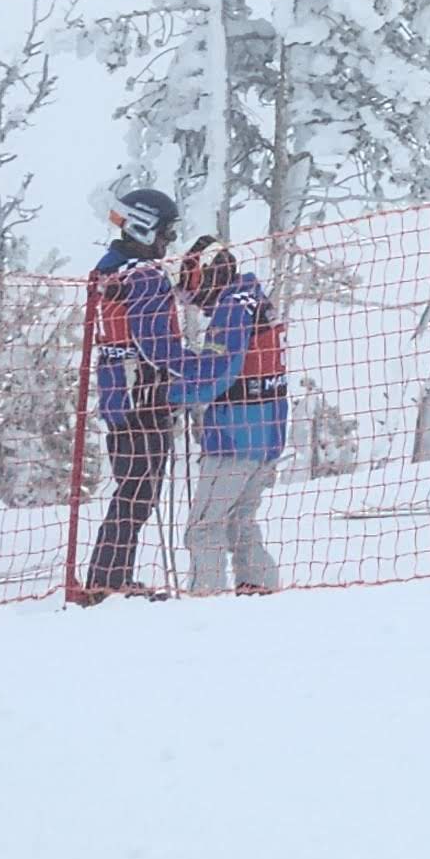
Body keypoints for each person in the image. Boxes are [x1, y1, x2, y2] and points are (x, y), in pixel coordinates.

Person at [73, 187, 197, 603]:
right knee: (138, 494)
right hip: (144, 397)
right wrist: (195, 367)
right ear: (144, 227)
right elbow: (155, 342)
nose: (169, 242)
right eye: (166, 232)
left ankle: (112, 577)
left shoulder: (111, 268)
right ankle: (108, 582)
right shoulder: (141, 274)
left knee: (132, 491)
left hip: (120, 396)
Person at [170, 236, 288, 595]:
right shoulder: (254, 298)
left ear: (208, 274)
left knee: (205, 525)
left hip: (235, 434)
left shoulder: (232, 308)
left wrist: (173, 394)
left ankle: (205, 598)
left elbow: (220, 371)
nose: (189, 296)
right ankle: (259, 586)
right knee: (240, 520)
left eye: (189, 283)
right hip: (267, 433)